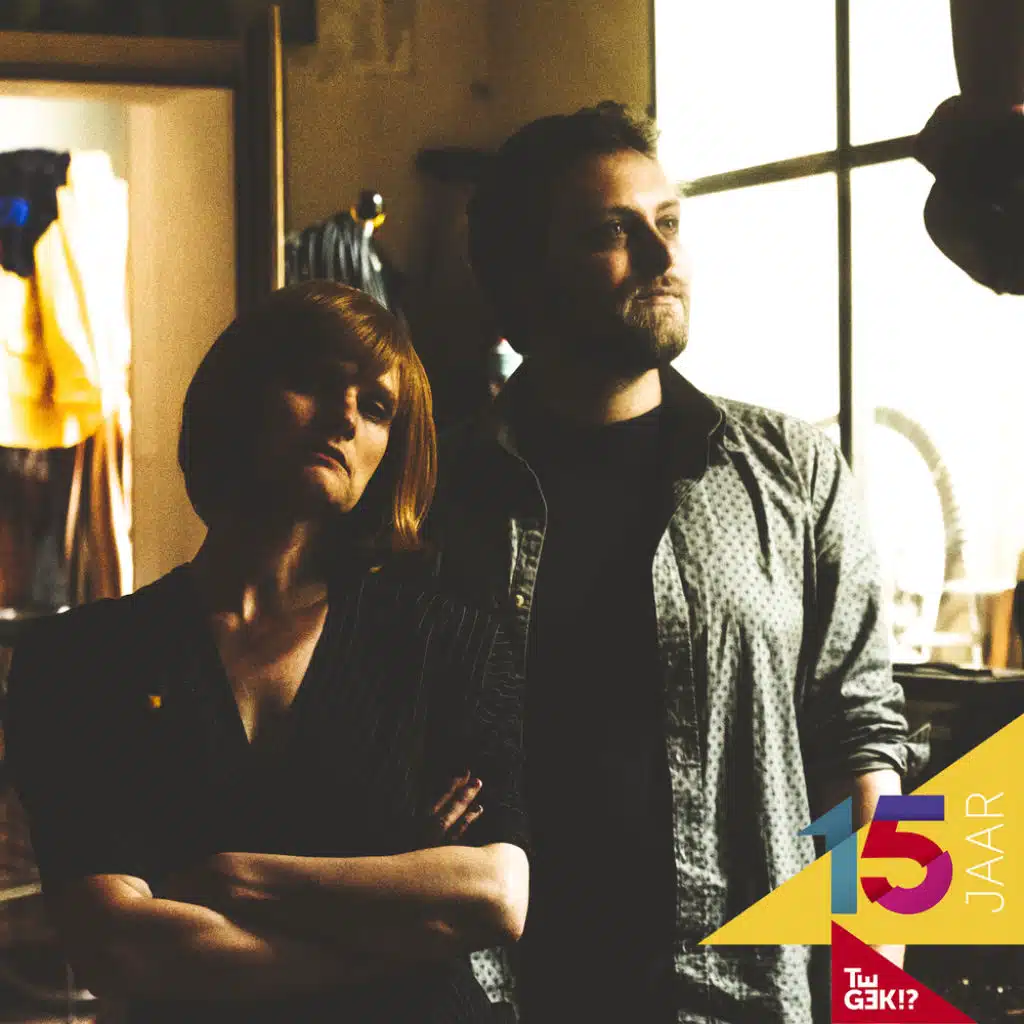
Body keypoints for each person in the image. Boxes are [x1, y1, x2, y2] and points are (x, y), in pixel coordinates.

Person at [428, 103, 910, 1023]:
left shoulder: (795, 471)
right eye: (612, 232)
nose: (663, 257)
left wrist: (876, 989)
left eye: (670, 222)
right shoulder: (440, 495)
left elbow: (863, 739)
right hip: (504, 996)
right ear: (524, 276)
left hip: (746, 997)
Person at [5, 281, 529, 1023]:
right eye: (315, 381)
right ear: (237, 397)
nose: (345, 417)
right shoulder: (81, 660)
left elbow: (495, 896)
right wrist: (404, 915)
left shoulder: (449, 646)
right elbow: (120, 947)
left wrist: (235, 877)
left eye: (377, 408)